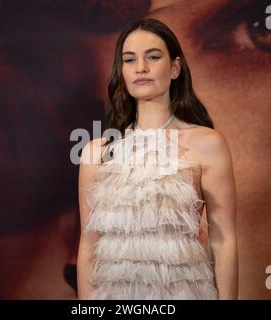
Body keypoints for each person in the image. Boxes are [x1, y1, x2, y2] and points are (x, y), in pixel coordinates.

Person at [77, 18, 238, 300]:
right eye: (129, 60)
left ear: (175, 68)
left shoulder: (207, 143)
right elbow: (89, 246)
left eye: (153, 57)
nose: (141, 68)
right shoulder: (96, 152)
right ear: (121, 71)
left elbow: (223, 242)